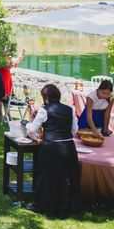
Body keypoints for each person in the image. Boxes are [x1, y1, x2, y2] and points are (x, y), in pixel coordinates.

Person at [26, 84, 79, 218]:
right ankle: (63, 210)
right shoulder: (70, 109)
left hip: (52, 148)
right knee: (65, 179)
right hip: (68, 147)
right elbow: (75, 130)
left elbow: (32, 129)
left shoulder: (44, 110)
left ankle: (40, 205)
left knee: (45, 177)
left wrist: (26, 124)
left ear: (46, 97)